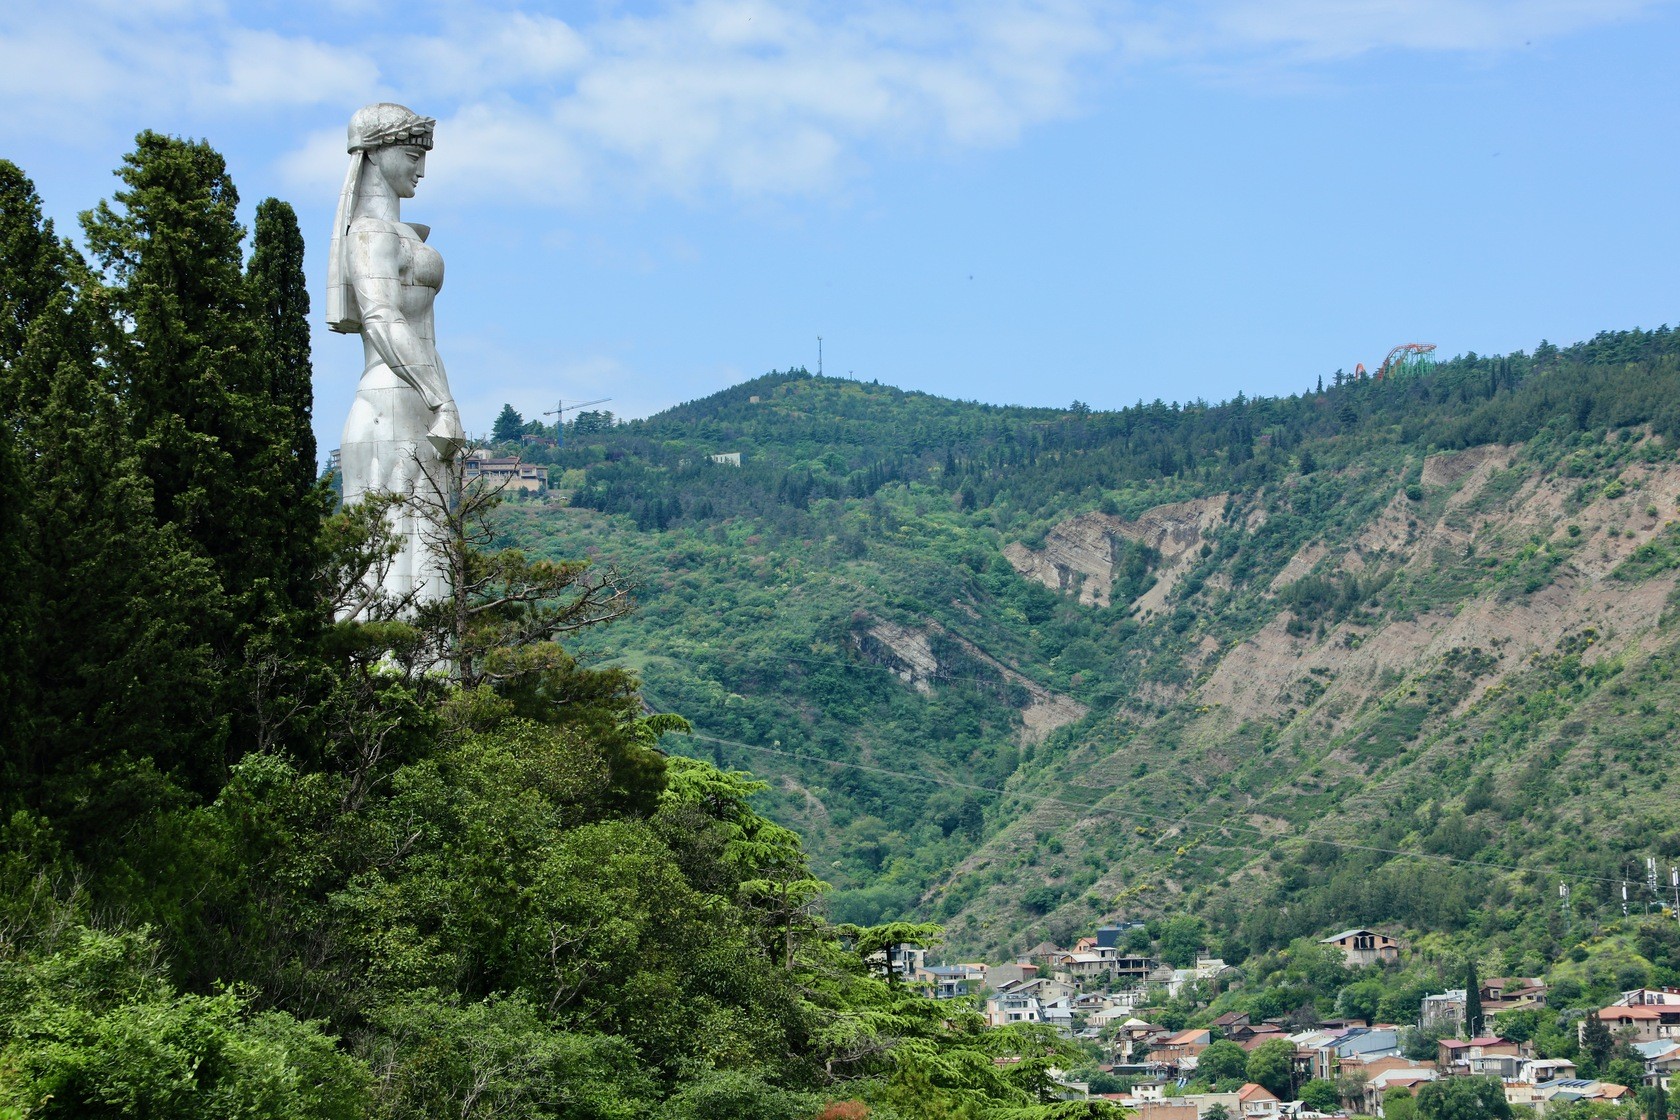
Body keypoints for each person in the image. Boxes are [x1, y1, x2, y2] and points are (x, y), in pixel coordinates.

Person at [327, 102, 464, 613]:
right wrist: (442, 400)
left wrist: (439, 400)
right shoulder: (368, 234)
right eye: (412, 154)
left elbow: (422, 335)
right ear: (378, 153)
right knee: (395, 568)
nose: (421, 169)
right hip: (390, 405)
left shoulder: (398, 233)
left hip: (414, 401)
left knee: (428, 564)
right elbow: (383, 319)